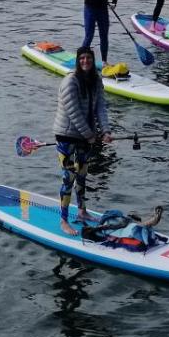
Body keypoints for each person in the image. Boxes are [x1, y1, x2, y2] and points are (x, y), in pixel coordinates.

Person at [53, 46, 111, 235]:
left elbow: (100, 107)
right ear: (78, 61)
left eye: (89, 58)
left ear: (93, 60)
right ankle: (63, 220)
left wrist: (106, 131)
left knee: (82, 174)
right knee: (68, 178)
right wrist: (91, 135)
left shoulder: (96, 80)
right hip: (66, 136)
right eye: (82, 58)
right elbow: (74, 114)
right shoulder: (70, 82)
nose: (85, 61)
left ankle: (82, 211)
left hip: (85, 136)